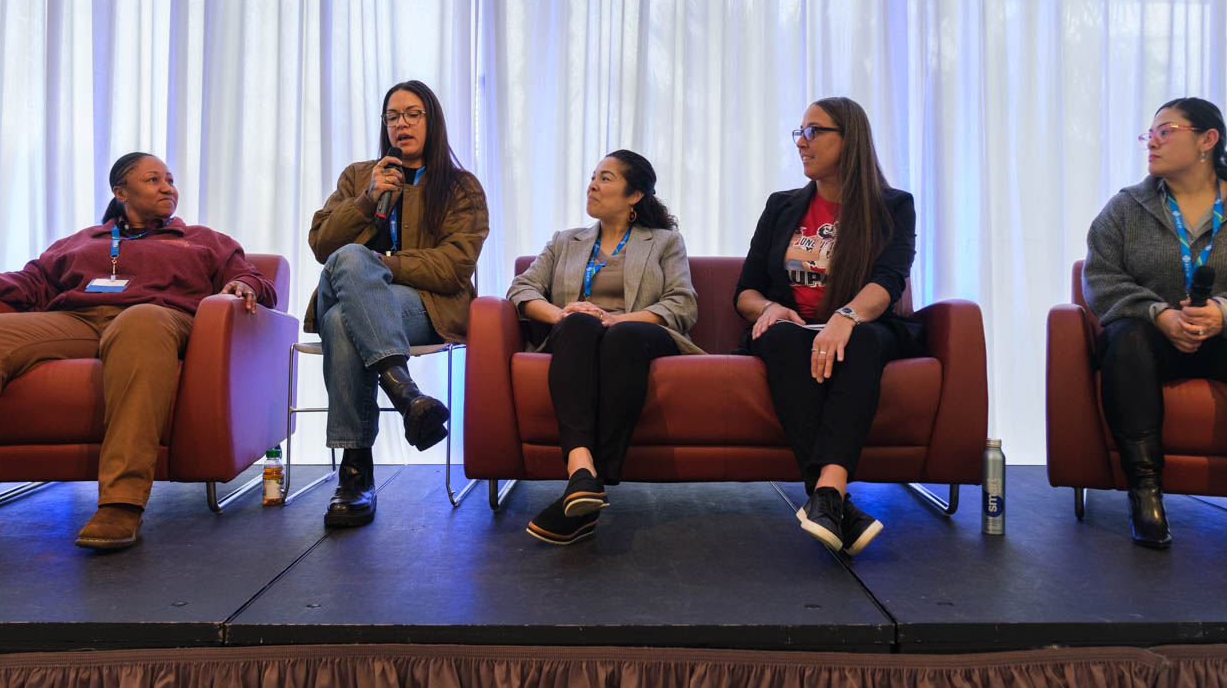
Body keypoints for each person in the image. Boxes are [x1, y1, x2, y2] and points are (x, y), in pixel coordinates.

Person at [0, 153, 275, 560]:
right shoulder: (81, 242)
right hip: (75, 320)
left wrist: (242, 284)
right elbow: (30, 282)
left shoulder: (203, 240)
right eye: (153, 180)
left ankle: (121, 503)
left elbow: (254, 279)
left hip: (159, 320)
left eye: (170, 180)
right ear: (121, 192)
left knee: (141, 323)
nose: (168, 187)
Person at [1083, 97, 1227, 555]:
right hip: (1155, 342)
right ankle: (1145, 496)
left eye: (1165, 131)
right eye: (1150, 134)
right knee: (1123, 338)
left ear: (1208, 140)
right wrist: (1159, 314)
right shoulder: (1126, 207)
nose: (1153, 142)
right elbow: (1100, 277)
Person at [733, 97, 922, 557]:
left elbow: (889, 279)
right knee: (777, 338)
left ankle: (828, 490)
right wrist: (769, 309)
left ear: (849, 138)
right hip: (794, 329)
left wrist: (846, 316)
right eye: (798, 132)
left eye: (814, 131)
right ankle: (832, 499)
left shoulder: (893, 206)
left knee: (860, 343)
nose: (802, 142)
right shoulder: (782, 207)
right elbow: (745, 291)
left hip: (865, 326)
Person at [306, 79, 488, 528]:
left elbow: (454, 267)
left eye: (412, 114)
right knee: (347, 257)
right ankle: (405, 394)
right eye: (392, 116)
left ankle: (355, 473)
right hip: (359, 295)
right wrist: (367, 201)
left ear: (433, 121)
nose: (400, 124)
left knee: (340, 323)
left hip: (426, 307)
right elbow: (321, 246)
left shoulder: (460, 187)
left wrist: (382, 263)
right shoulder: (358, 176)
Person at [506, 151, 699, 545]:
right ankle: (582, 470)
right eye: (593, 176)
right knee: (580, 322)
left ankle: (586, 486)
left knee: (621, 336)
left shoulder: (663, 242)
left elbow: (682, 303)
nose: (592, 184)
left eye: (606, 178)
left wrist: (619, 320)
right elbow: (520, 289)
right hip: (575, 334)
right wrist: (561, 314)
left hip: (638, 334)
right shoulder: (565, 242)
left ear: (634, 196)